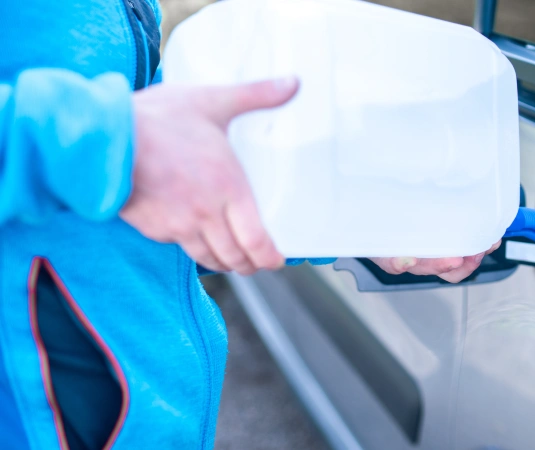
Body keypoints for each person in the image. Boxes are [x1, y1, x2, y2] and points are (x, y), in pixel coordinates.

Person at [0, 1, 500, 448]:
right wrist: (108, 145)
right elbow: (113, 151)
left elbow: (146, 191)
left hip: (138, 409)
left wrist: (359, 221)